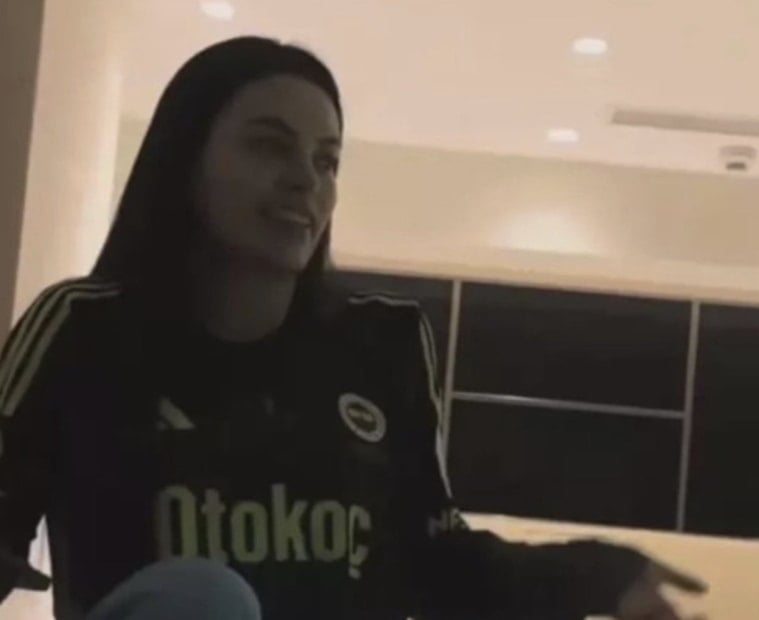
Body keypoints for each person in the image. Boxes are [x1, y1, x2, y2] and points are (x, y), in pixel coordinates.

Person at [0, 37, 706, 620]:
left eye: (326, 160)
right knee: (203, 596)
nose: (306, 180)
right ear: (186, 162)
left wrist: (598, 575)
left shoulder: (381, 343)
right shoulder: (84, 329)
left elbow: (436, 558)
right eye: (269, 147)